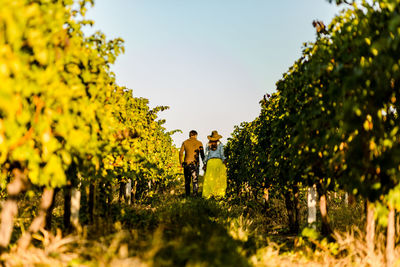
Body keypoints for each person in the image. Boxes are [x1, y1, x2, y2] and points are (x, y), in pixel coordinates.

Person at [179, 130, 205, 196]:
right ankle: (195, 195)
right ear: (196, 135)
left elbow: (180, 153)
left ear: (189, 135)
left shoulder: (185, 142)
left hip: (186, 164)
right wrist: (204, 163)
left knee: (187, 181)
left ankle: (187, 195)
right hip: (195, 164)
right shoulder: (199, 143)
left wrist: (181, 163)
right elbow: (202, 155)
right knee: (195, 180)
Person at [202, 130, 227, 199]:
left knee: (209, 179)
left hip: (210, 162)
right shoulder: (220, 144)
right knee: (219, 179)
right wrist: (224, 161)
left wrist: (204, 163)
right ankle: (219, 194)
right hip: (218, 162)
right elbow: (222, 154)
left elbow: (206, 155)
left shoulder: (208, 144)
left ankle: (208, 195)